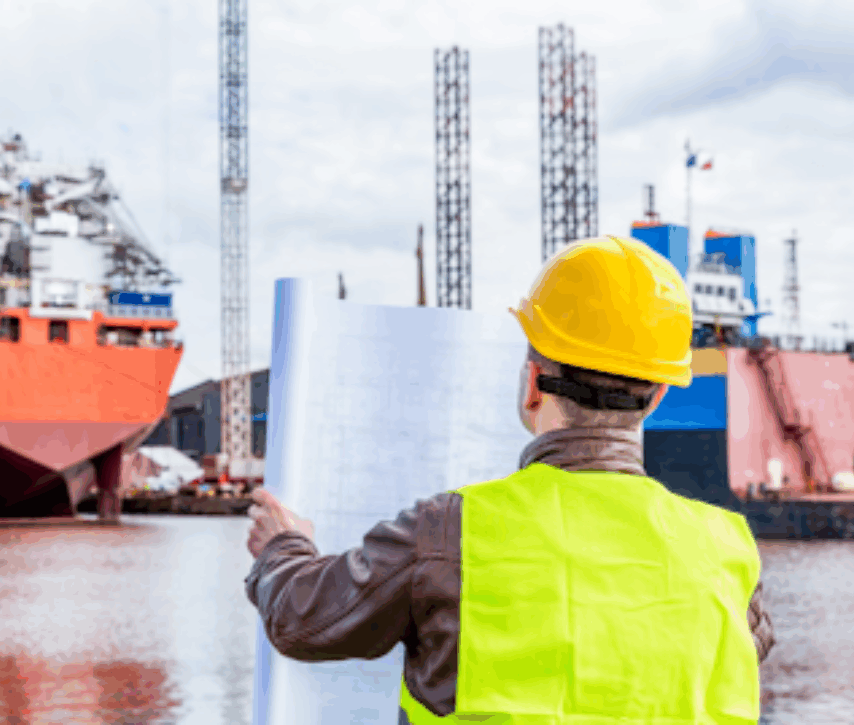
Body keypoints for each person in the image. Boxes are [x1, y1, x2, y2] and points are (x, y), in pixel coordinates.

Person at [245, 236, 776, 724]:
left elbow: (302, 618)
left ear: (533, 385)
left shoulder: (447, 532)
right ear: (657, 397)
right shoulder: (727, 554)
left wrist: (282, 546)